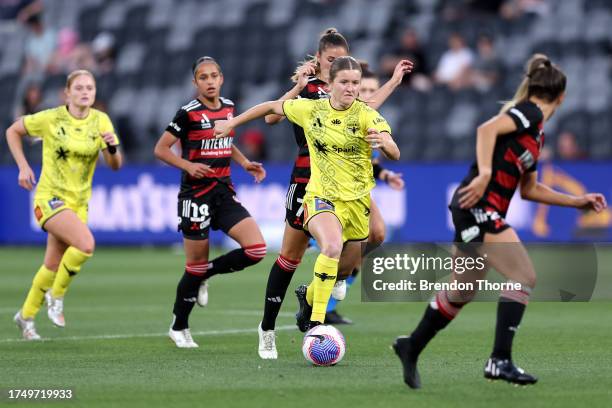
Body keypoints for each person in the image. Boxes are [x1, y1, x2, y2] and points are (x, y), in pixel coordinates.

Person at [393, 54, 607, 388]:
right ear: (562, 97)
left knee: (462, 291)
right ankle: (500, 360)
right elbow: (486, 129)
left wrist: (576, 200)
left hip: (474, 208)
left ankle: (411, 345)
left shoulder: (536, 135)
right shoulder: (529, 111)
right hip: (479, 206)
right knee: (523, 275)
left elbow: (530, 188)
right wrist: (485, 174)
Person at [214, 54, 400, 348]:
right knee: (331, 246)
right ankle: (317, 324)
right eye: (345, 83)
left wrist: (386, 144)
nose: (351, 89)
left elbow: (394, 149)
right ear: (331, 85)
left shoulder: (366, 115)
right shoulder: (311, 109)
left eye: (356, 83)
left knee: (346, 265)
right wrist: (231, 123)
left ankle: (309, 297)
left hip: (356, 203)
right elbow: (271, 108)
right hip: (320, 198)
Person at [255, 28, 411, 359]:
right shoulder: (311, 91)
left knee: (372, 236)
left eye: (341, 59)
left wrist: (394, 82)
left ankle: (320, 294)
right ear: (318, 59)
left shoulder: (348, 94)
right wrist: (297, 85)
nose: (335, 64)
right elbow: (271, 115)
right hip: (307, 181)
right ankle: (268, 328)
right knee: (290, 258)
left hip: (348, 185)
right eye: (330, 59)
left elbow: (366, 117)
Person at [154, 56, 267, 348]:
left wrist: (244, 163)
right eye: (203, 77)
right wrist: (188, 166)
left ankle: (208, 273)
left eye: (214, 76)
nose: (210, 81)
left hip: (222, 190)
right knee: (194, 263)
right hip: (195, 195)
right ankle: (179, 327)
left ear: (222, 78)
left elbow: (226, 141)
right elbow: (161, 149)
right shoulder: (187, 113)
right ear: (196, 83)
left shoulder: (229, 107)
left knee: (256, 249)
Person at [6, 69, 123, 340]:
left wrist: (113, 148)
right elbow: (13, 131)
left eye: (90, 88)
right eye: (79, 88)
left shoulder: (101, 120)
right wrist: (23, 167)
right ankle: (56, 296)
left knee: (52, 263)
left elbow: (116, 167)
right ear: (67, 93)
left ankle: (25, 316)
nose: (85, 92)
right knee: (86, 244)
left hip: (78, 203)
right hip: (49, 198)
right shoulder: (51, 118)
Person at [325, 63, 406, 325]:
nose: (370, 96)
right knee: (327, 249)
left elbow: (374, 158)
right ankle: (322, 297)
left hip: (357, 188)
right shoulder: (338, 112)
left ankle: (330, 296)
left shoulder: (368, 120)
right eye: (367, 90)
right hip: (327, 187)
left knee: (375, 236)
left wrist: (385, 175)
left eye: (373, 89)